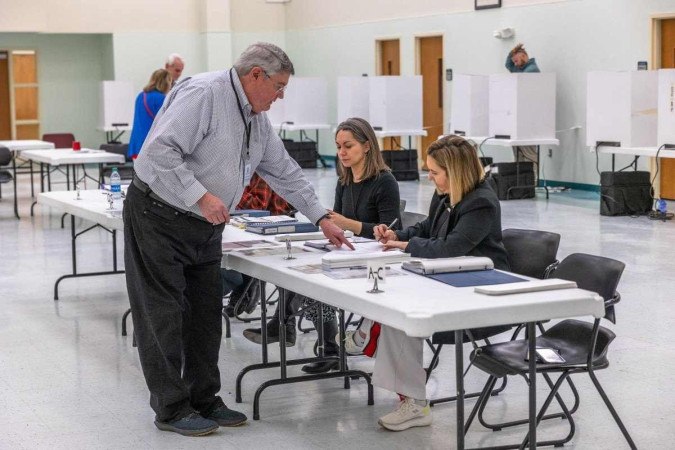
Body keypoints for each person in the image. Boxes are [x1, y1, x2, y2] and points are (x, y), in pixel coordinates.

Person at [123, 42, 352, 437]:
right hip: (158, 215)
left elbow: (283, 170)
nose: (281, 96)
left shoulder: (254, 116)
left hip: (205, 226)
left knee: (206, 316)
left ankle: (205, 398)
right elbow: (157, 153)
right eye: (278, 86)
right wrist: (202, 195)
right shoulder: (204, 95)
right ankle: (172, 408)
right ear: (255, 75)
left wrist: (322, 216)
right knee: (163, 315)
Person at [346, 135, 509, 431]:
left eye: (435, 172)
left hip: (479, 288)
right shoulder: (447, 193)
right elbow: (427, 228)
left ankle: (410, 397)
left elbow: (450, 247)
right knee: (394, 307)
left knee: (403, 311)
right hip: (448, 277)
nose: (430, 178)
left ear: (455, 172)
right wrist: (397, 236)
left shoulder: (481, 202)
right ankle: (410, 397)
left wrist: (403, 246)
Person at [242, 117, 401, 374]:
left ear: (367, 146)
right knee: (297, 270)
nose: (341, 153)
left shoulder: (385, 182)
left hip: (375, 260)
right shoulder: (344, 180)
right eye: (338, 146)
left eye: (348, 146)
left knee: (314, 283)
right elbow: (340, 224)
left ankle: (289, 328)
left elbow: (392, 232)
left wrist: (346, 223)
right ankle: (312, 340)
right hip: (349, 253)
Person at [222, 172, 296, 318]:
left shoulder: (258, 169)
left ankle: (247, 280)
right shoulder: (234, 168)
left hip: (272, 228)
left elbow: (257, 207)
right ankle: (246, 281)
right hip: (245, 225)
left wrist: (231, 190)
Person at [505, 43, 540, 180]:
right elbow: (508, 65)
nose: (515, 63)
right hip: (521, 119)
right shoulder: (521, 69)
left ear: (524, 56)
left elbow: (518, 81)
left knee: (529, 152)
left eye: (517, 60)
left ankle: (533, 179)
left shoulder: (531, 70)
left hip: (529, 119)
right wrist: (512, 51)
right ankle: (521, 180)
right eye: (514, 61)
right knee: (518, 153)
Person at [127, 69, 173, 160]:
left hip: (136, 145)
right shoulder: (161, 99)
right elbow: (167, 123)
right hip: (150, 147)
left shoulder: (141, 96)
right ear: (165, 82)